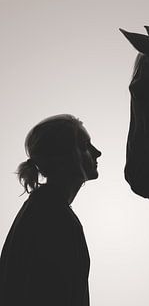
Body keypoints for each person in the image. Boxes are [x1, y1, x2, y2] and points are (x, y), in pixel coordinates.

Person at [0, 114, 101, 306]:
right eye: (86, 146)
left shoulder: (41, 209)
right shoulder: (54, 218)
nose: (97, 153)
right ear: (68, 155)